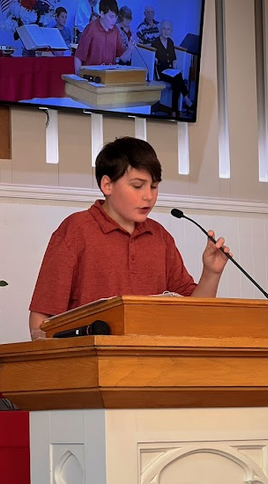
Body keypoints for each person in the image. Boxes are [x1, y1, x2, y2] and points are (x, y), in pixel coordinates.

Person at [29, 136, 231, 338]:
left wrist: (211, 273)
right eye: (137, 186)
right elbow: (41, 321)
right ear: (107, 185)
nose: (148, 196)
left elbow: (193, 314)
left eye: (154, 186)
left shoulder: (160, 237)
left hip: (152, 356)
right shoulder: (76, 230)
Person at [74, 0, 134, 74]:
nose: (114, 21)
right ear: (102, 14)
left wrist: (130, 49)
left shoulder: (115, 31)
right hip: (92, 75)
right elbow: (79, 56)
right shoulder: (91, 28)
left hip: (109, 76)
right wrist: (78, 76)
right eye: (111, 17)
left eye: (116, 17)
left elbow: (123, 59)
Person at [151, 19, 193, 117]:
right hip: (161, 72)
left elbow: (174, 59)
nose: (166, 31)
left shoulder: (170, 42)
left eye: (168, 29)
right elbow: (153, 59)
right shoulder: (155, 43)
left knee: (176, 80)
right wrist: (154, 59)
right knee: (177, 78)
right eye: (164, 29)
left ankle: (174, 111)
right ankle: (185, 99)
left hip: (170, 71)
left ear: (171, 31)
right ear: (160, 30)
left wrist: (175, 71)